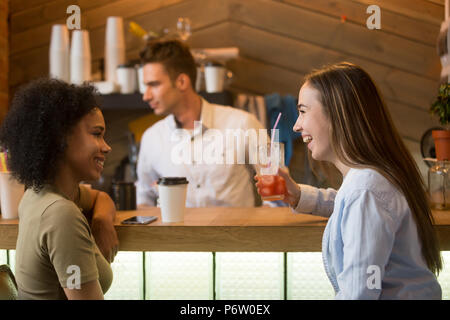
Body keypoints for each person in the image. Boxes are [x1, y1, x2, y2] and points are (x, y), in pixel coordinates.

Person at [256, 62, 443, 299]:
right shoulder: (370, 181)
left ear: (337, 113)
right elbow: (353, 206)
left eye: (303, 111)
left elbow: (359, 294)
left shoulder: (366, 190)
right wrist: (299, 195)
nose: (296, 125)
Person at [0, 79, 118, 299]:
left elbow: (99, 197)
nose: (107, 146)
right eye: (96, 133)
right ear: (60, 137)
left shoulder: (37, 194)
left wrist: (102, 220)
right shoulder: (62, 214)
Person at [137, 39, 265, 207]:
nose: (146, 96)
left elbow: (279, 187)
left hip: (236, 232)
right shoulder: (151, 138)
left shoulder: (243, 123)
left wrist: (264, 228)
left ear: (182, 82)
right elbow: (143, 200)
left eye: (153, 85)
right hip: (175, 234)